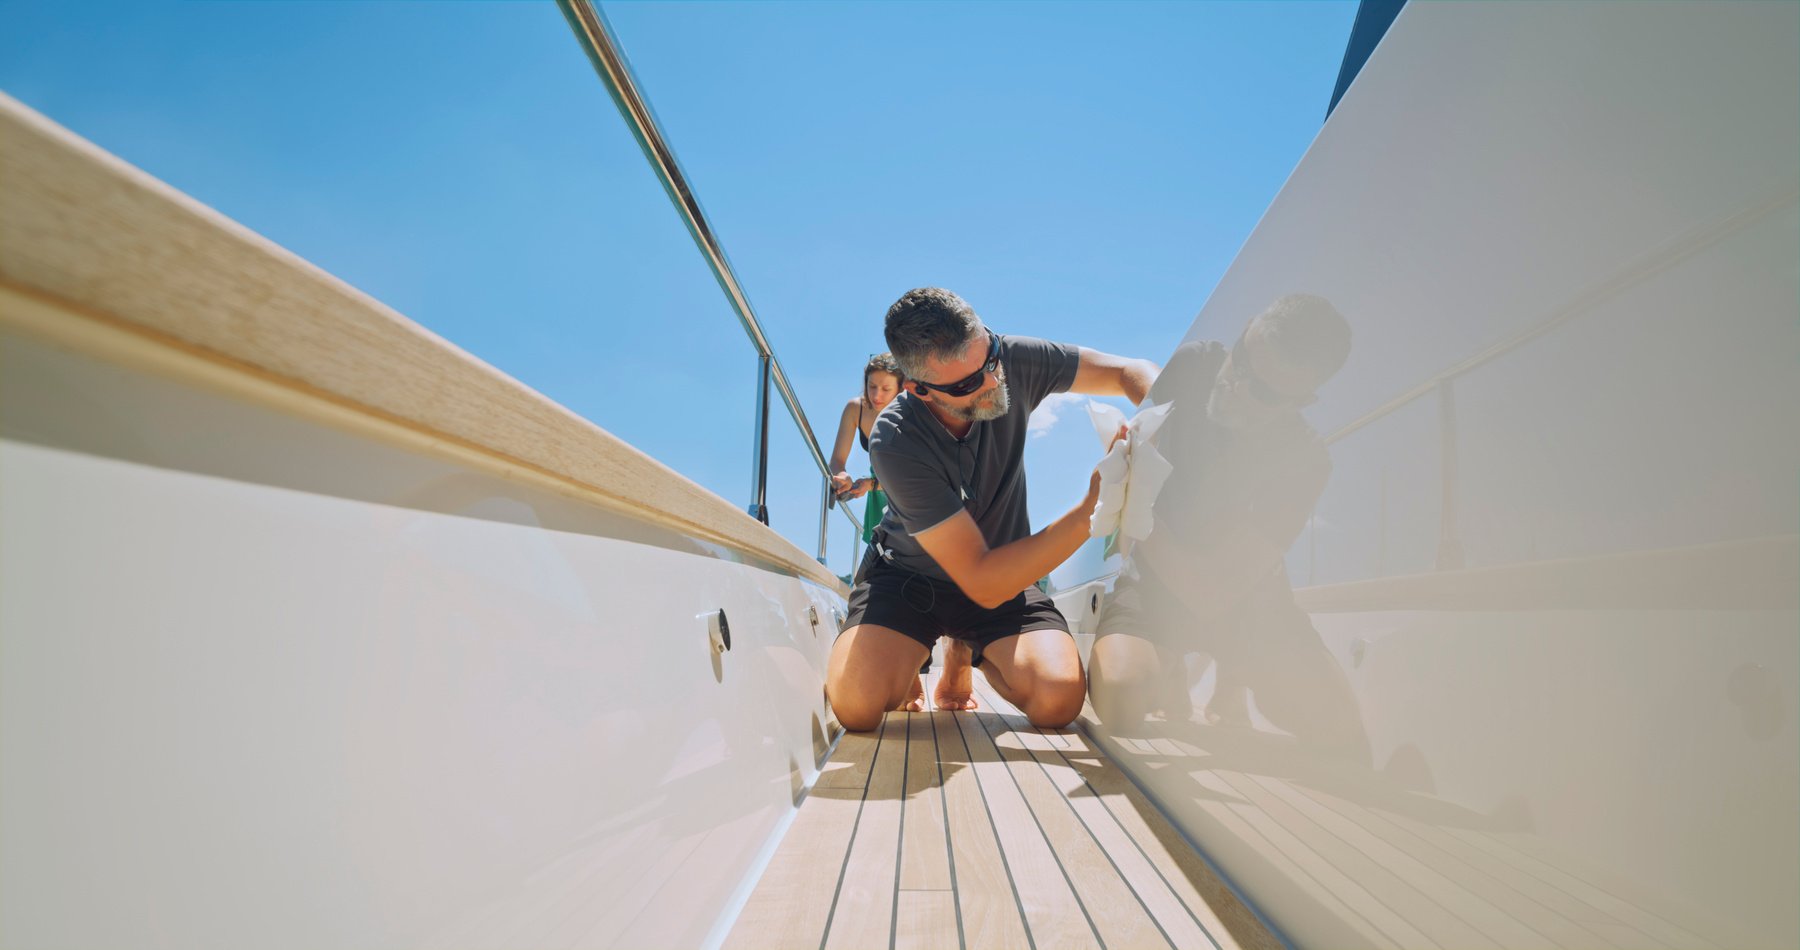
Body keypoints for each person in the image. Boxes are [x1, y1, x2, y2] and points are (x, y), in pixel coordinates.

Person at [825, 287, 1157, 731]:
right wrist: (1089, 513)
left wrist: (1158, 422)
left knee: (1057, 700)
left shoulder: (1009, 362)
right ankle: (919, 648)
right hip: (908, 580)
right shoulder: (894, 439)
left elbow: (1127, 370)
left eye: (992, 359)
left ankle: (964, 655)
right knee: (857, 707)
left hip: (1005, 575)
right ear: (918, 390)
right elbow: (979, 579)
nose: (991, 383)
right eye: (967, 384)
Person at [1088, 293, 1372, 764]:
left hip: (1248, 604)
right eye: (1240, 357)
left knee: (1341, 733)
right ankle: (1172, 667)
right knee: (1119, 700)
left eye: (1260, 389)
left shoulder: (1305, 461)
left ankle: (1225, 679)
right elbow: (1141, 445)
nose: (1233, 383)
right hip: (1153, 590)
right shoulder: (1196, 363)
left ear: (1302, 400)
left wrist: (1135, 510)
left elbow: (1215, 595)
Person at [827, 353, 904, 546]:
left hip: (907, 492)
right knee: (876, 557)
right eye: (872, 387)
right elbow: (836, 461)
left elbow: (918, 473)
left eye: (886, 389)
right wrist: (841, 476)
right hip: (876, 489)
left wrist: (872, 485)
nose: (877, 395)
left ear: (900, 388)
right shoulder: (856, 408)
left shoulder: (910, 412)